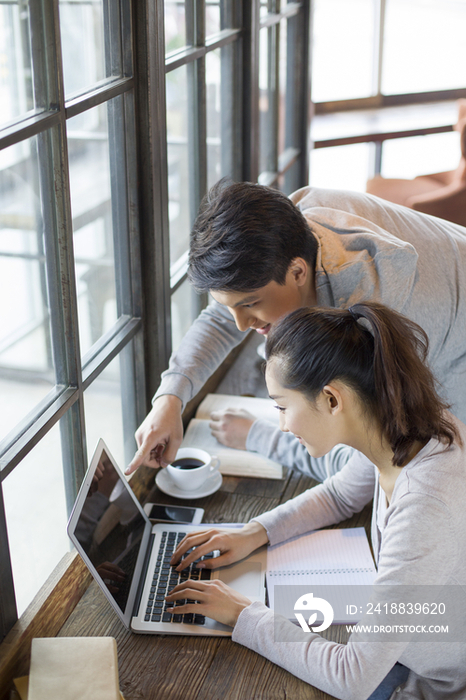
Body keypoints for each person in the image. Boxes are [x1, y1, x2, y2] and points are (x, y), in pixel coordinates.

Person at [164, 302, 466, 700]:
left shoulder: (424, 507)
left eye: (282, 407)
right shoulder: (408, 427)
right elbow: (342, 493)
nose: (284, 425)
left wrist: (242, 614)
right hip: (411, 643)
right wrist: (253, 533)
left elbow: (351, 678)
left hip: (431, 682)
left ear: (331, 399)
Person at [126, 181, 466, 479]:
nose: (241, 324)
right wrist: (169, 399)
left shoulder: (371, 312)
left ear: (298, 273)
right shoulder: (285, 231)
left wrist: (257, 436)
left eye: (250, 304)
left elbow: (364, 468)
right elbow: (218, 320)